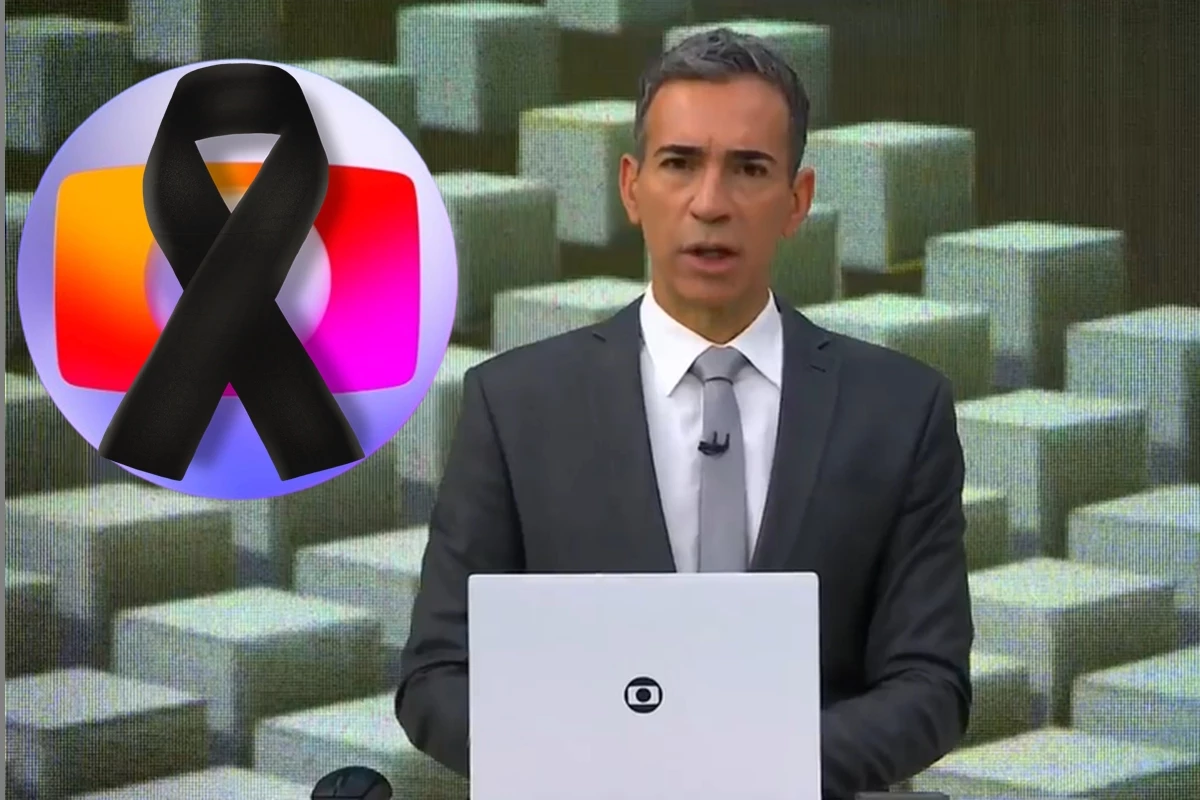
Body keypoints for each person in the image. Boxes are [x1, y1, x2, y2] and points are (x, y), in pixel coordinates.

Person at [396, 27, 974, 798]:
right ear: (632, 188)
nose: (710, 203)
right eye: (679, 164)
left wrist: (749, 769)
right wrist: (603, 764)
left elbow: (931, 685)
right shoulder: (515, 404)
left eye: (749, 169)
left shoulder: (901, 411)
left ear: (797, 200)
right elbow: (436, 678)